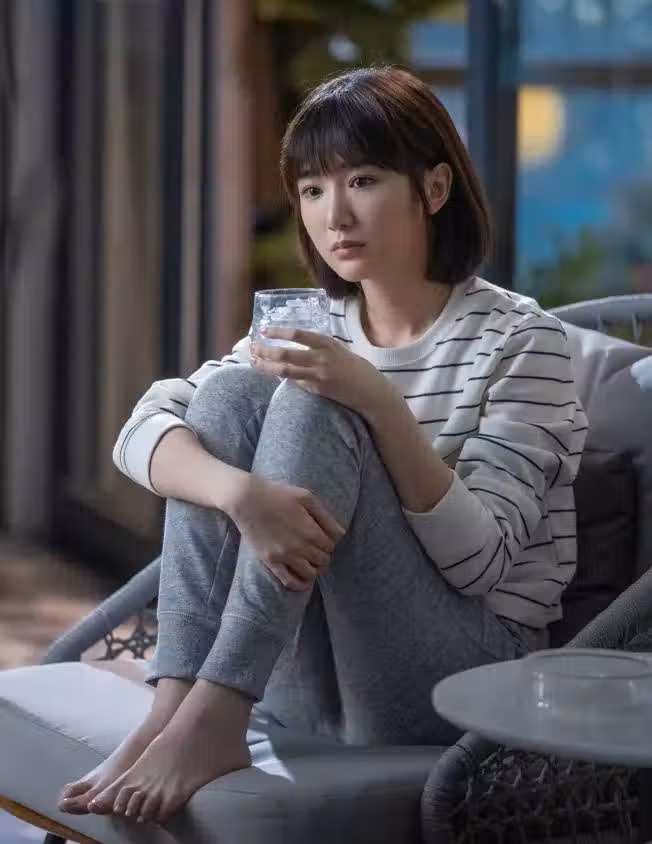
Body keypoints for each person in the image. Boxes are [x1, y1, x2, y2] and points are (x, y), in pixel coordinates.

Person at [58, 66, 587, 825]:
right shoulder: (314, 324)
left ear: (435, 188)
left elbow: (483, 563)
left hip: (461, 680)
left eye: (363, 181)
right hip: (303, 682)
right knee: (228, 398)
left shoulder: (524, 341)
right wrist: (243, 495)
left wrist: (376, 401)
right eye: (312, 190)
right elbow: (141, 432)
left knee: (315, 402)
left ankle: (213, 715)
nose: (334, 214)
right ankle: (176, 709)